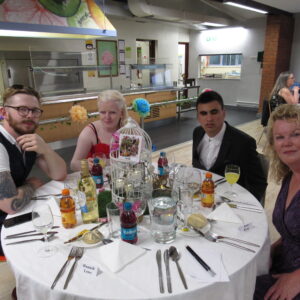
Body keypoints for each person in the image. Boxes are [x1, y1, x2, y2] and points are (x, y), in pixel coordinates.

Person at [0, 85, 67, 256]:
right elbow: (10, 204)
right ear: (4, 112)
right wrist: (31, 185)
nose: (30, 116)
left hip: (20, 210)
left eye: (35, 111)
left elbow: (59, 174)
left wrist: (45, 149)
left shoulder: (27, 137)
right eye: (22, 109)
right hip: (4, 225)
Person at [254, 104, 300, 300]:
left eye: (296, 134)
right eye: (280, 137)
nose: (287, 143)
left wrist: (297, 279)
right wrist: (272, 250)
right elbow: (292, 233)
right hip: (283, 264)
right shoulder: (289, 177)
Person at [192, 90, 267, 202]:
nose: (209, 119)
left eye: (214, 112)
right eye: (203, 113)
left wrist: (242, 206)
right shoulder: (197, 133)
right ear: (198, 117)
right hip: (202, 199)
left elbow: (259, 183)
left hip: (229, 203)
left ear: (223, 113)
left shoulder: (243, 142)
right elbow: (197, 165)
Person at [70, 90, 128, 171]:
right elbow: (73, 164)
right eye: (103, 112)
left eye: (112, 112)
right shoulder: (90, 132)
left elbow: (135, 159)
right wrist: (86, 164)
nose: (107, 117)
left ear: (121, 113)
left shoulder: (129, 128)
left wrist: (106, 162)